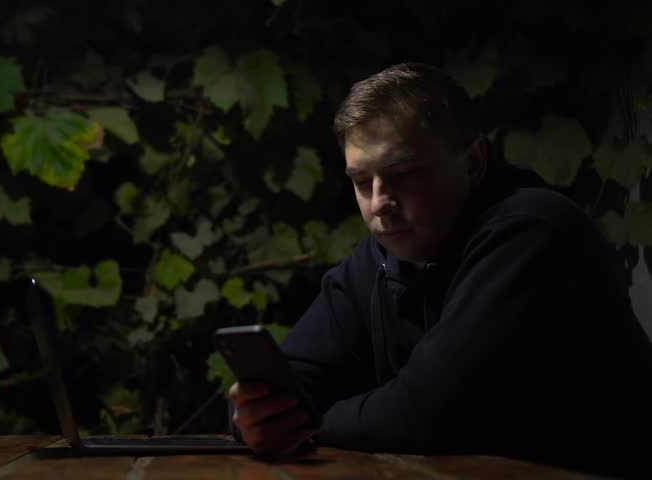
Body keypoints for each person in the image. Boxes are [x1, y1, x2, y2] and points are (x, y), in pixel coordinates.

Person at [227, 62, 652, 478]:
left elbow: (428, 412)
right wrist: (253, 415)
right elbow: (291, 378)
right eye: (361, 181)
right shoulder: (379, 254)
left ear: (473, 163)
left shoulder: (533, 234)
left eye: (402, 175)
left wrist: (307, 422)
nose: (379, 203)